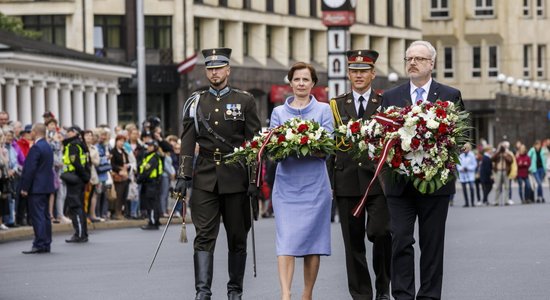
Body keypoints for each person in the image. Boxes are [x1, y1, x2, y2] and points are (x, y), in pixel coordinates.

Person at [174, 47, 261, 300]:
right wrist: (183, 175)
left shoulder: (245, 100)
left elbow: (254, 143)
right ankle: (203, 292)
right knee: (204, 236)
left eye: (218, 68)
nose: (214, 73)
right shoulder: (195, 101)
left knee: (237, 236)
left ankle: (235, 291)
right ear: (206, 71)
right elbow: (188, 140)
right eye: (210, 69)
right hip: (205, 178)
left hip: (236, 177)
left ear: (228, 70)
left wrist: (254, 179)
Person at [380, 40, 464, 300]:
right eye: (409, 59)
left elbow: (459, 140)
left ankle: (428, 296)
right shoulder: (391, 96)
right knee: (401, 239)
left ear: (432, 64)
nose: (413, 63)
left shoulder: (450, 95)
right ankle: (403, 295)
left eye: (419, 59)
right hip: (399, 184)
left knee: (432, 244)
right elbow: (382, 136)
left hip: (435, 184)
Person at [329, 50, 391, 300]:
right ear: (348, 74)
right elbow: (330, 146)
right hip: (346, 182)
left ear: (373, 73)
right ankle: (361, 294)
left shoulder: (384, 102)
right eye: (354, 71)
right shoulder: (336, 104)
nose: (358, 76)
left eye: (363, 71)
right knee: (352, 243)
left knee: (381, 233)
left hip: (378, 182)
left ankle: (383, 289)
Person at [269, 62, 333, 300]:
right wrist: (287, 145)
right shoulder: (278, 113)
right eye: (297, 79)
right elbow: (273, 150)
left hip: (315, 187)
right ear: (290, 82)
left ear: (313, 83)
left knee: (311, 242)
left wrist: (306, 143)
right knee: (285, 240)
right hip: (286, 186)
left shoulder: (324, 110)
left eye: (306, 79)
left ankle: (307, 294)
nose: (301, 84)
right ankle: (285, 294)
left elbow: (329, 147)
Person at [21, 123, 55, 254]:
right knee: (45, 216)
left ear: (35, 132)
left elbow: (30, 169)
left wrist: (25, 187)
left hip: (36, 187)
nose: (31, 133)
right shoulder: (47, 146)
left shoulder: (36, 147)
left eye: (32, 131)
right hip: (46, 186)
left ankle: (39, 243)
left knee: (38, 216)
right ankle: (46, 243)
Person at [62, 126, 90, 243]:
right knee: (79, 206)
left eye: (68, 131)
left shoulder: (73, 145)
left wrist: (83, 177)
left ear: (74, 133)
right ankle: (82, 233)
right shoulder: (81, 144)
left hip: (74, 178)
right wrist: (85, 177)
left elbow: (76, 163)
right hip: (79, 178)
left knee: (75, 206)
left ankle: (79, 234)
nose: (66, 133)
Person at [137, 140, 163, 230]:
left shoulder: (153, 157)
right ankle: (154, 220)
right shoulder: (148, 156)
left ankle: (152, 222)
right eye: (148, 145)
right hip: (149, 183)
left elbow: (146, 171)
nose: (148, 147)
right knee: (151, 202)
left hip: (151, 183)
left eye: (150, 146)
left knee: (151, 203)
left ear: (154, 147)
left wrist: (139, 179)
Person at [458, 143, 477, 207]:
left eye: (467, 148)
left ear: (469, 148)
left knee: (471, 188)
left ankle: (472, 202)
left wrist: (469, 168)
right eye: (464, 148)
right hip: (462, 174)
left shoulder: (472, 155)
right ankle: (466, 203)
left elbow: (474, 164)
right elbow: (458, 164)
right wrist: (461, 169)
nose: (465, 149)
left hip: (470, 173)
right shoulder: (461, 155)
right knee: (464, 189)